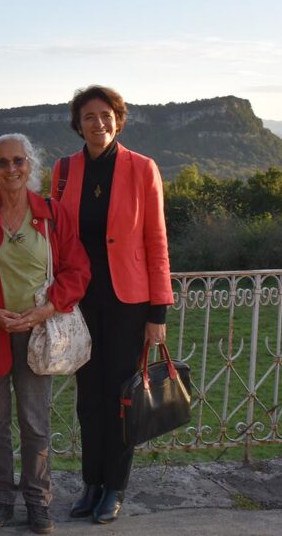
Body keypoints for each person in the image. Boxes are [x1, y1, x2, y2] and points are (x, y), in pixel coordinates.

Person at [0, 133, 89, 535]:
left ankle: (38, 502)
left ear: (31, 165)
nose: (12, 169)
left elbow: (77, 271)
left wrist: (47, 308)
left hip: (37, 332)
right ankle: (0, 499)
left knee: (35, 421)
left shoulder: (53, 214)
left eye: (18, 161)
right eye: (3, 162)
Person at [50, 85, 172, 524]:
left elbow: (156, 241)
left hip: (128, 303)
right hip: (80, 303)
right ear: (77, 124)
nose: (98, 124)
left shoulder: (142, 168)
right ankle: (91, 483)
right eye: (89, 117)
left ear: (118, 120)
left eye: (106, 116)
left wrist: (158, 312)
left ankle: (115, 487)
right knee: (88, 399)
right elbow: (56, 235)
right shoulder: (64, 171)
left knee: (121, 397)